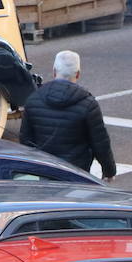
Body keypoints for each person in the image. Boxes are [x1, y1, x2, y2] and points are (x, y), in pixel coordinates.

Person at [19, 50, 116, 180]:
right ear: (78, 74)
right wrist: (109, 170)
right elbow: (100, 143)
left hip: (46, 170)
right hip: (77, 172)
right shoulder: (88, 104)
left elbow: (25, 140)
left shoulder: (34, 100)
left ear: (54, 71)